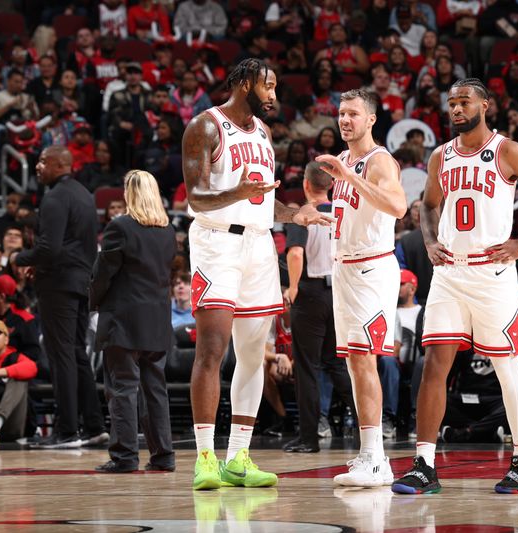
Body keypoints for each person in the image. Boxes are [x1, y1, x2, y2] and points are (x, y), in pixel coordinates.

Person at [392, 78, 518, 495]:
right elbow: (429, 206)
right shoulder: (440, 156)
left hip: (492, 273)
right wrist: (431, 241)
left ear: (485, 105)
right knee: (434, 364)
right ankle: (424, 465)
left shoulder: (507, 151)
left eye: (463, 101)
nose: (455, 109)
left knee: (506, 365)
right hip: (450, 273)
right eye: (451, 103)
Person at [182, 59, 331, 490]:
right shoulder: (205, 126)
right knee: (212, 348)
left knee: (253, 353)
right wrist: (238, 193)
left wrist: (295, 213)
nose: (273, 95)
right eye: (268, 86)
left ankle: (239, 458)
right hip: (216, 243)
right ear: (244, 83)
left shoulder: (264, 135)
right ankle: (205, 458)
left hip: (260, 244)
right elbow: (196, 197)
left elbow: (263, 202)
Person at [315, 88, 407, 487]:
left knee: (366, 359)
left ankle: (376, 459)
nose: (344, 120)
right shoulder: (344, 163)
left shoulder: (379, 160)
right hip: (345, 269)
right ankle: (369, 456)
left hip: (372, 269)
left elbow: (398, 207)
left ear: (371, 119)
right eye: (341, 113)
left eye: (353, 113)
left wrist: (349, 176)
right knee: (354, 362)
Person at [16, 146, 107, 449]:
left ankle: (67, 431)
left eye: (43, 162)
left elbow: (49, 249)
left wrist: (19, 258)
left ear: (59, 164)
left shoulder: (55, 196)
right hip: (81, 282)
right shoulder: (84, 194)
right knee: (77, 354)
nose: (38, 166)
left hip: (58, 285)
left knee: (61, 355)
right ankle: (94, 427)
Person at [90, 170, 177, 473]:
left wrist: (92, 302)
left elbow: (103, 273)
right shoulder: (168, 230)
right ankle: (163, 455)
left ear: (130, 193)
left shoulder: (120, 227)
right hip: (157, 319)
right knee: (155, 388)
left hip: (124, 320)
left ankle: (125, 456)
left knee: (122, 388)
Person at [282, 161, 355, 454]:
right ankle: (368, 426)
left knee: (307, 368)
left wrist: (293, 286)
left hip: (311, 292)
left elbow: (296, 254)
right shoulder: (342, 213)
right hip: (338, 292)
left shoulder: (304, 214)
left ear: (306, 185)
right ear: (333, 185)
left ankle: (308, 438)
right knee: (337, 364)